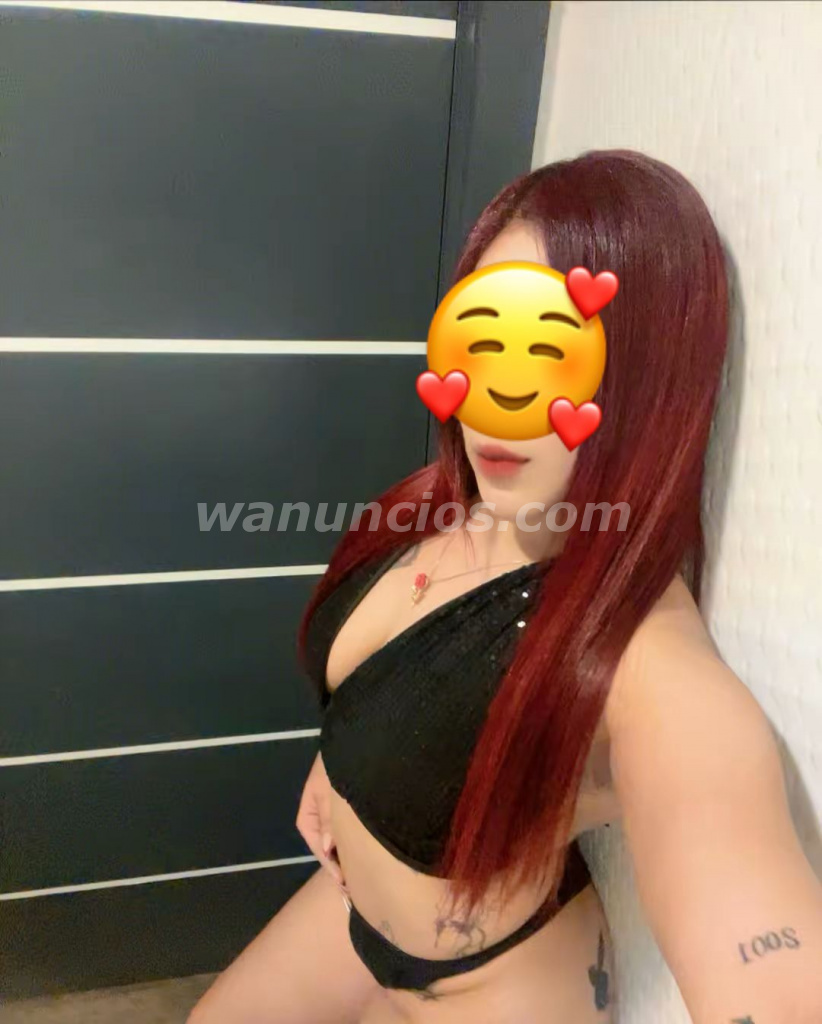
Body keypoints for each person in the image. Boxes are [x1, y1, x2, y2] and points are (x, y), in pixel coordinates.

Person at [189, 151, 822, 1024]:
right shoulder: (447, 505)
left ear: (644, 377)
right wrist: (345, 761)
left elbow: (763, 952)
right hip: (350, 909)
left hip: (491, 987)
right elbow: (401, 682)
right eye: (482, 339)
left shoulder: (652, 668)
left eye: (553, 350)